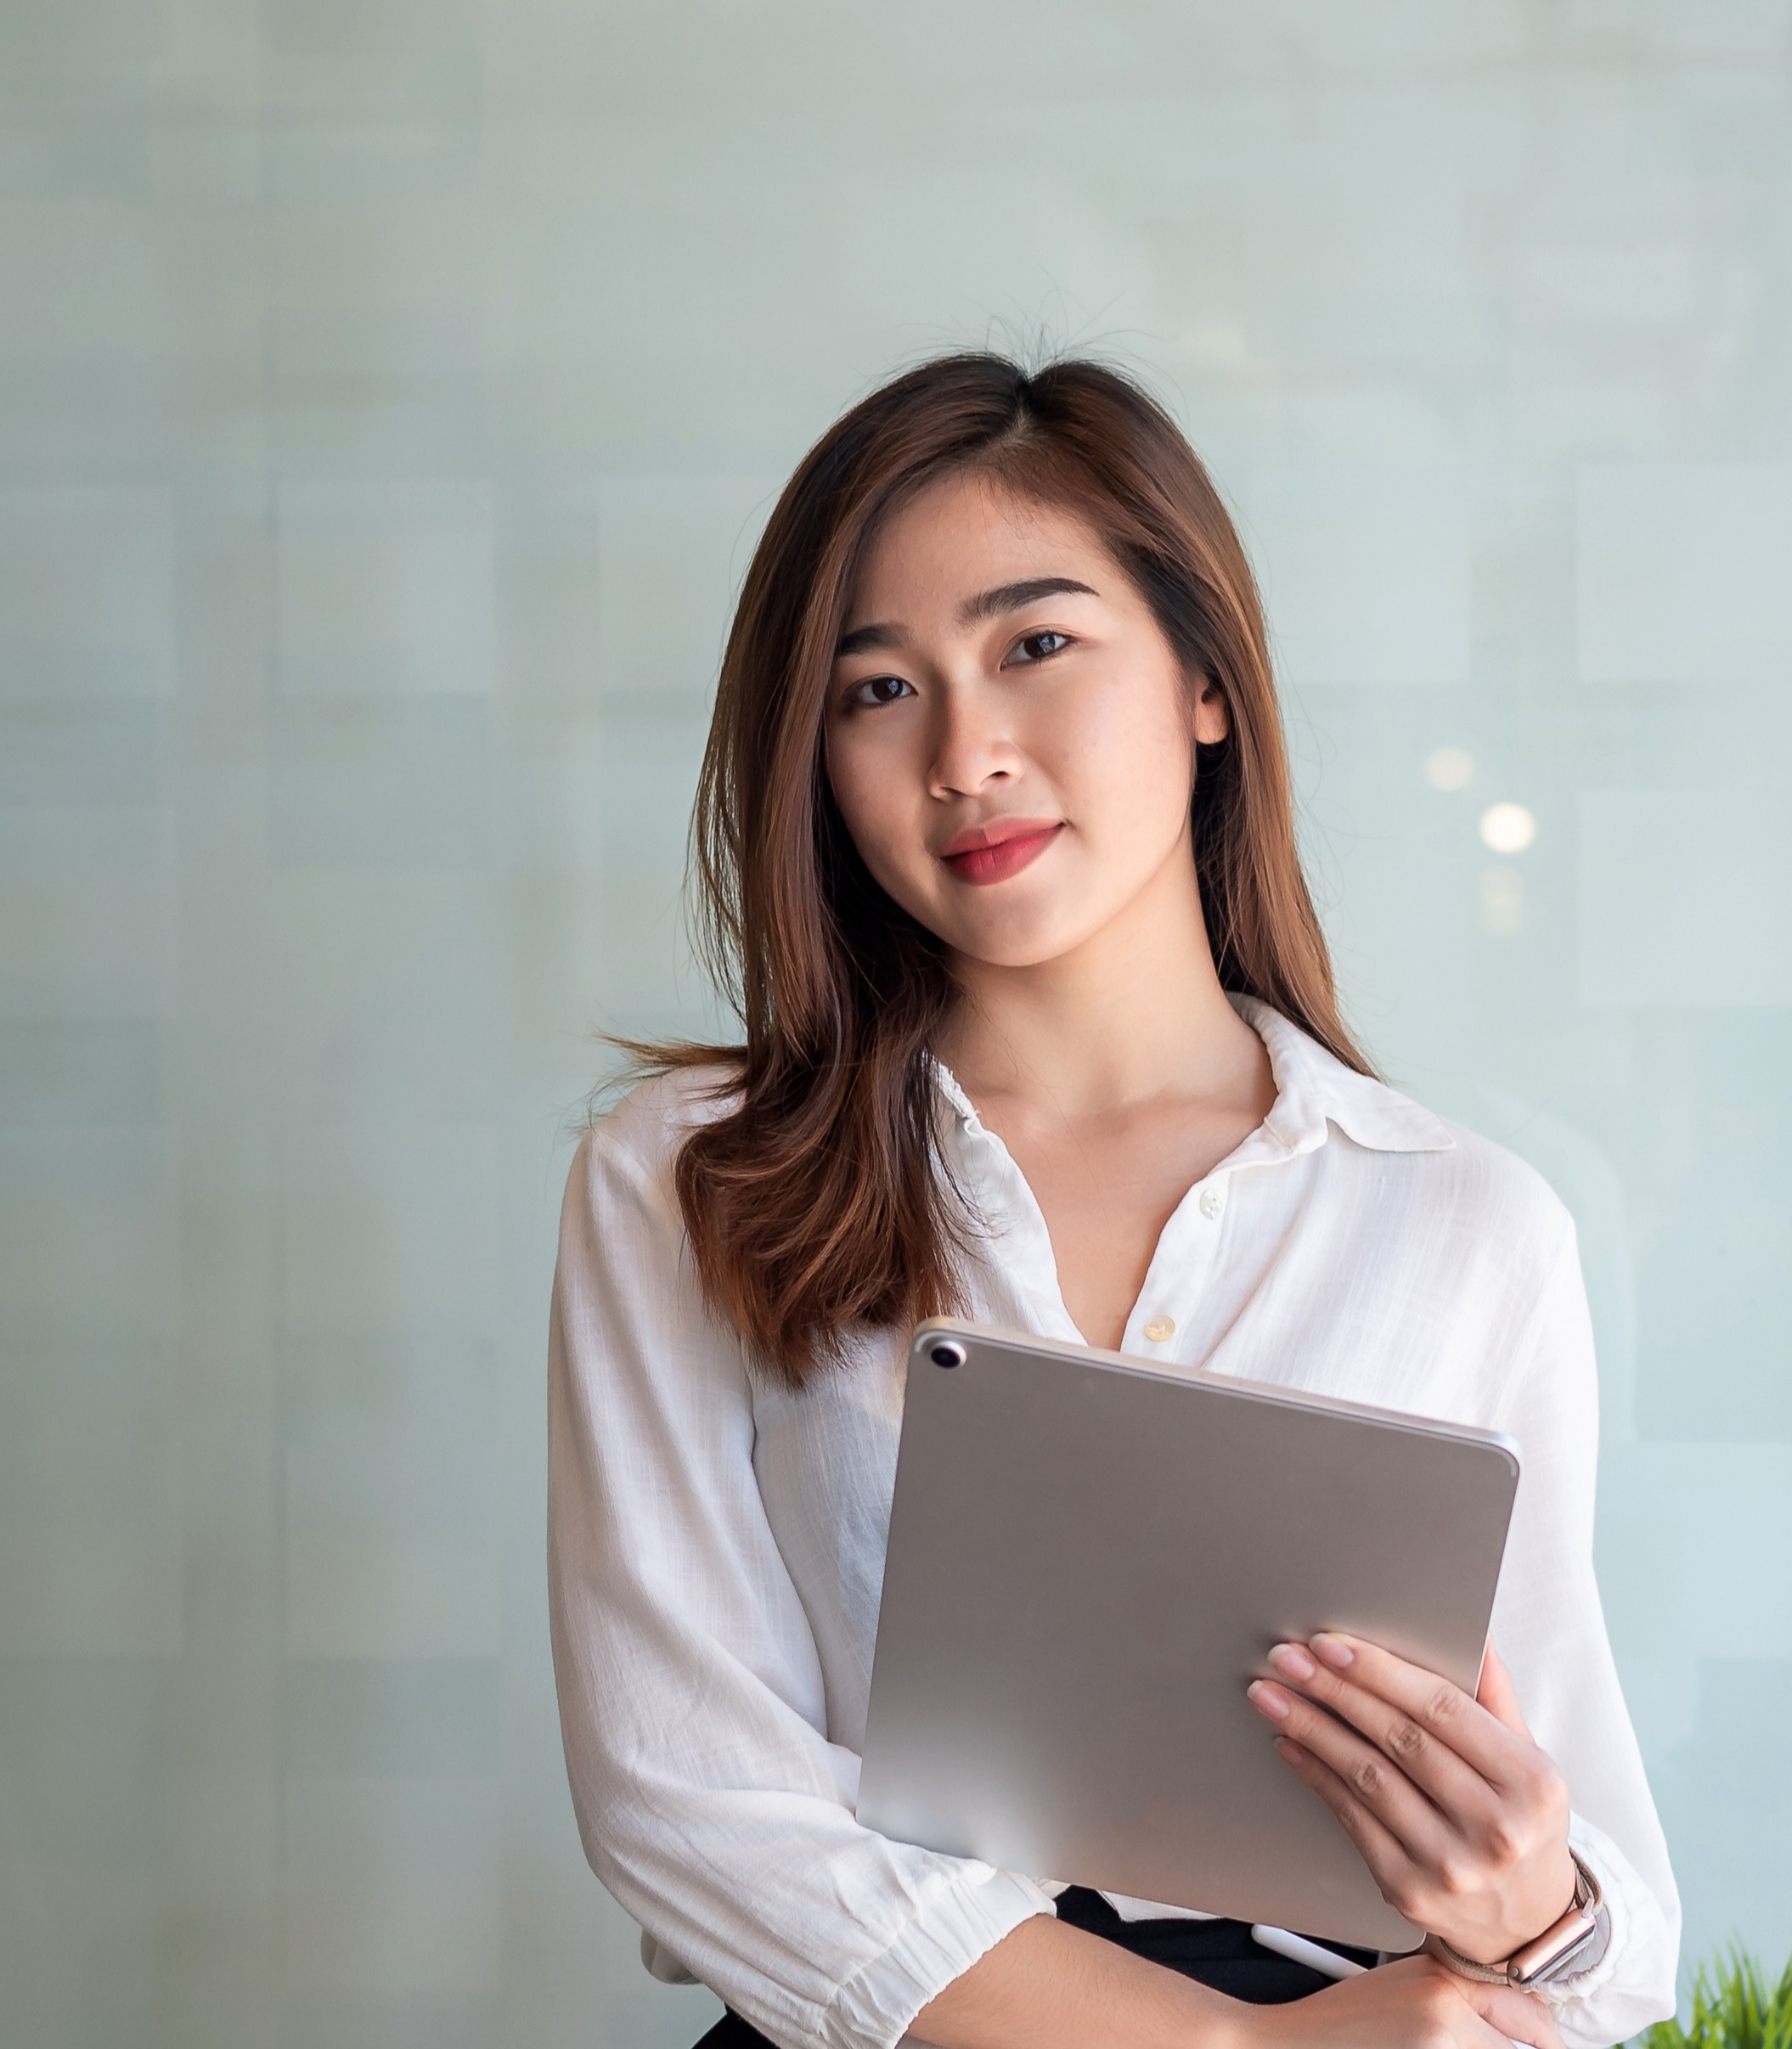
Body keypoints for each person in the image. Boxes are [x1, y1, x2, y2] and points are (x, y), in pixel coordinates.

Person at [547, 353, 1680, 2049]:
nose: (963, 752)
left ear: (1206, 680)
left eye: (1035, 644)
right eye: (876, 690)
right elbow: (684, 1795)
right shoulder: (689, 1174)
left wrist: (1534, 1905)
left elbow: (1616, 1948)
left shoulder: (1461, 1223)